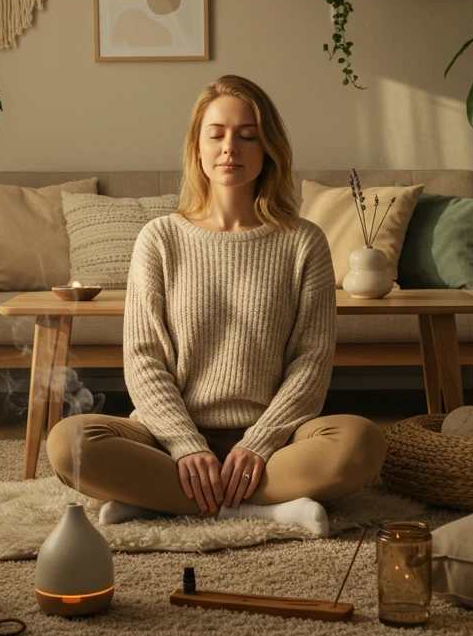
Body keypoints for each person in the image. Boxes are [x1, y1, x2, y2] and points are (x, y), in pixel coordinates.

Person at [46, 75, 386, 537]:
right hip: (167, 439)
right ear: (197, 147)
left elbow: (311, 364)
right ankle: (264, 507)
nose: (231, 147)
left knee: (361, 443)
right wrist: (186, 445)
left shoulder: (303, 242)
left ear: (268, 149)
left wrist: (260, 442)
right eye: (217, 134)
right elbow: (144, 360)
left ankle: (163, 501)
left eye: (248, 136)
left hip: (276, 442)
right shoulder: (160, 238)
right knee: (69, 444)